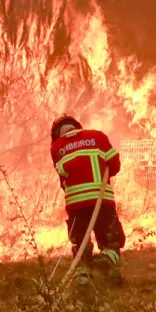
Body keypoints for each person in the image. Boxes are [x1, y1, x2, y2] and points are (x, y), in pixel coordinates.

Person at [49, 115, 125, 275]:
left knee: (80, 244)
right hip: (102, 201)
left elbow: (63, 178)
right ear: (77, 126)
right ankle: (107, 261)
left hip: (75, 206)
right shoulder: (98, 136)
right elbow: (115, 165)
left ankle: (83, 274)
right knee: (111, 240)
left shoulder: (56, 148)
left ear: (57, 134)